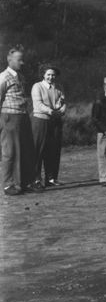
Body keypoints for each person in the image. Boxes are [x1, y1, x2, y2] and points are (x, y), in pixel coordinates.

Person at [1, 46, 37, 195]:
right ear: (9, 60)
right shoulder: (3, 77)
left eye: (23, 60)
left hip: (23, 116)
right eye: (19, 59)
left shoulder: (21, 77)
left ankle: (24, 182)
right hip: (10, 117)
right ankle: (9, 185)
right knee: (10, 152)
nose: (22, 63)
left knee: (25, 150)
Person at [31, 64, 67, 188]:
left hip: (55, 122)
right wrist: (51, 111)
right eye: (48, 74)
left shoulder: (59, 87)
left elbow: (62, 103)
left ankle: (51, 178)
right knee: (38, 150)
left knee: (53, 150)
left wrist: (61, 109)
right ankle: (36, 179)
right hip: (40, 121)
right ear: (43, 75)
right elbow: (38, 104)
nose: (51, 77)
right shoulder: (37, 86)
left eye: (53, 75)